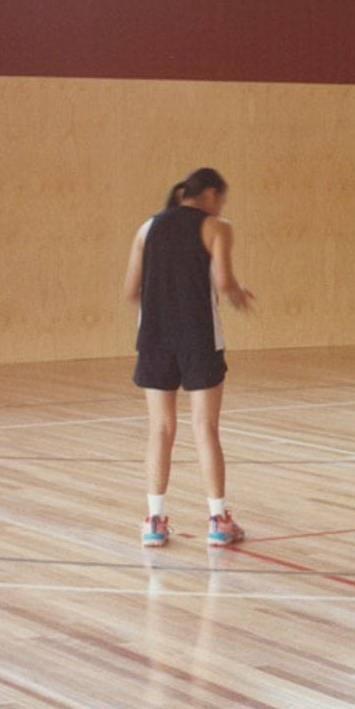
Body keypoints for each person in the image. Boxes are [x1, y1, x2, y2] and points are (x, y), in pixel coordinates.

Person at [122, 166, 254, 548]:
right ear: (211, 195)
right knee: (205, 427)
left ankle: (154, 521)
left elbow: (131, 290)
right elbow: (224, 282)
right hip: (199, 338)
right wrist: (238, 294)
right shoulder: (217, 227)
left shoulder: (146, 229)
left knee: (160, 429)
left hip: (155, 339)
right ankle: (218, 520)